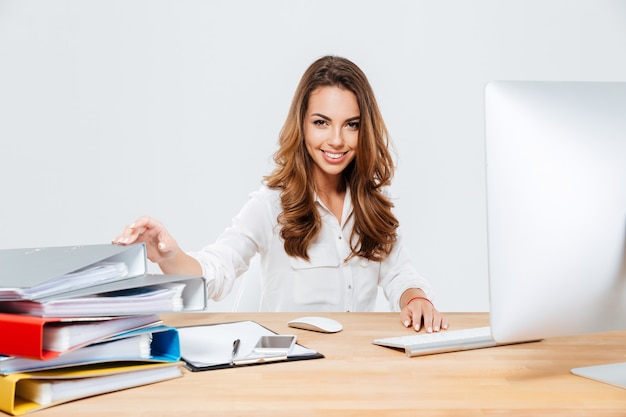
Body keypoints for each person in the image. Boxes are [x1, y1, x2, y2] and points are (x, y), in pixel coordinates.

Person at [113, 55, 448, 333]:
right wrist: (170, 255)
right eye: (321, 122)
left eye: (351, 124)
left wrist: (416, 298)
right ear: (301, 125)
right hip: (290, 373)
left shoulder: (371, 207)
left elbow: (400, 274)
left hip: (357, 370)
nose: (336, 139)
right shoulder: (270, 204)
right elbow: (219, 269)